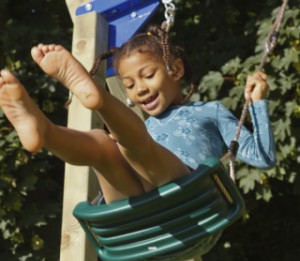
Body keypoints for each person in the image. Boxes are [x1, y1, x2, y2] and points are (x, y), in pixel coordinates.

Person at [0, 26, 276, 204]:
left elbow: (262, 158)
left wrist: (258, 103)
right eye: (129, 85)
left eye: (148, 75)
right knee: (103, 146)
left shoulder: (208, 111)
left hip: (188, 195)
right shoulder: (140, 126)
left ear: (175, 71)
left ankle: (99, 99)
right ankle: (45, 132)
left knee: (134, 144)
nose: (140, 89)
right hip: (135, 205)